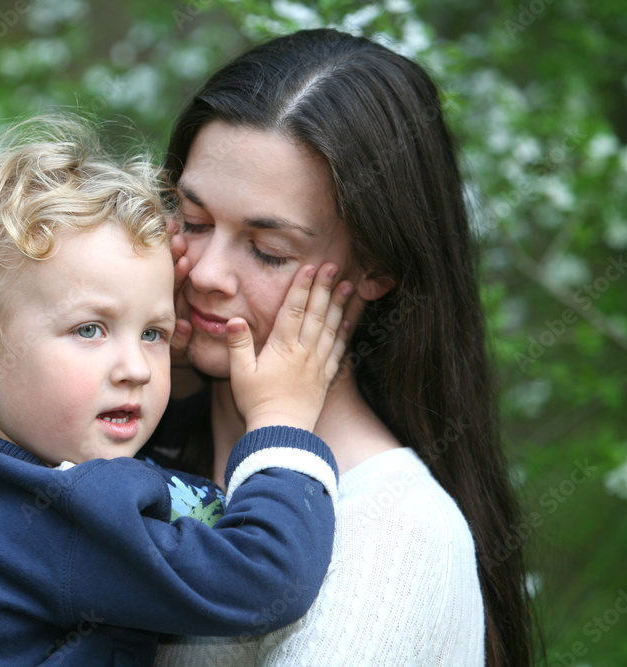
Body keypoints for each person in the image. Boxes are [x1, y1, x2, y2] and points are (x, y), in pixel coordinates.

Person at [0, 115, 357, 666]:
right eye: (89, 330)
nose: (137, 368)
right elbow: (263, 580)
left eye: (153, 334)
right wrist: (279, 418)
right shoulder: (54, 519)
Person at [150, 29, 535, 667]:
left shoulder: (393, 533)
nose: (206, 272)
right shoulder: (129, 457)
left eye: (267, 251)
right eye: (191, 221)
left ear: (376, 267)